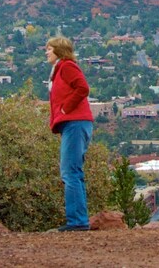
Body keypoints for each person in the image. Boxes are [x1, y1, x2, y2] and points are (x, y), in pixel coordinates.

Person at [46, 36, 95, 231]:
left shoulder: (66, 66)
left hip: (75, 123)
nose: (46, 52)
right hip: (73, 124)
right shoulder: (59, 69)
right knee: (74, 171)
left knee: (69, 171)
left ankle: (77, 222)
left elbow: (83, 88)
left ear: (59, 50)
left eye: (49, 49)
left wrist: (65, 109)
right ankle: (79, 219)